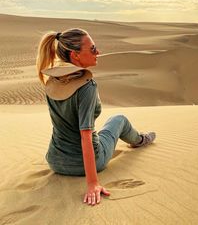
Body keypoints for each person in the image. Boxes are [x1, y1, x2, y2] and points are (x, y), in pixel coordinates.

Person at [36, 28, 156, 206]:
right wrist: (92, 183)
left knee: (100, 129)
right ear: (75, 55)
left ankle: (138, 139)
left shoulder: (51, 81)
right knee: (119, 119)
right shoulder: (86, 87)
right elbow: (85, 135)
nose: (97, 52)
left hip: (55, 161)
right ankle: (139, 140)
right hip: (86, 164)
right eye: (92, 49)